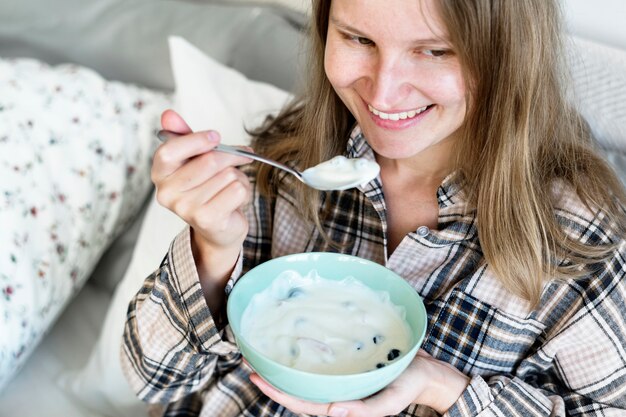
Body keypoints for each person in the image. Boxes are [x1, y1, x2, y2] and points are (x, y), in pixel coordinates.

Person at [121, 0, 626, 416]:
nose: (382, 93)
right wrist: (212, 252)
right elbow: (154, 380)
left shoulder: (579, 242)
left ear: (507, 58)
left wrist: (446, 390)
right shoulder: (292, 163)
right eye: (359, 40)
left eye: (433, 51)